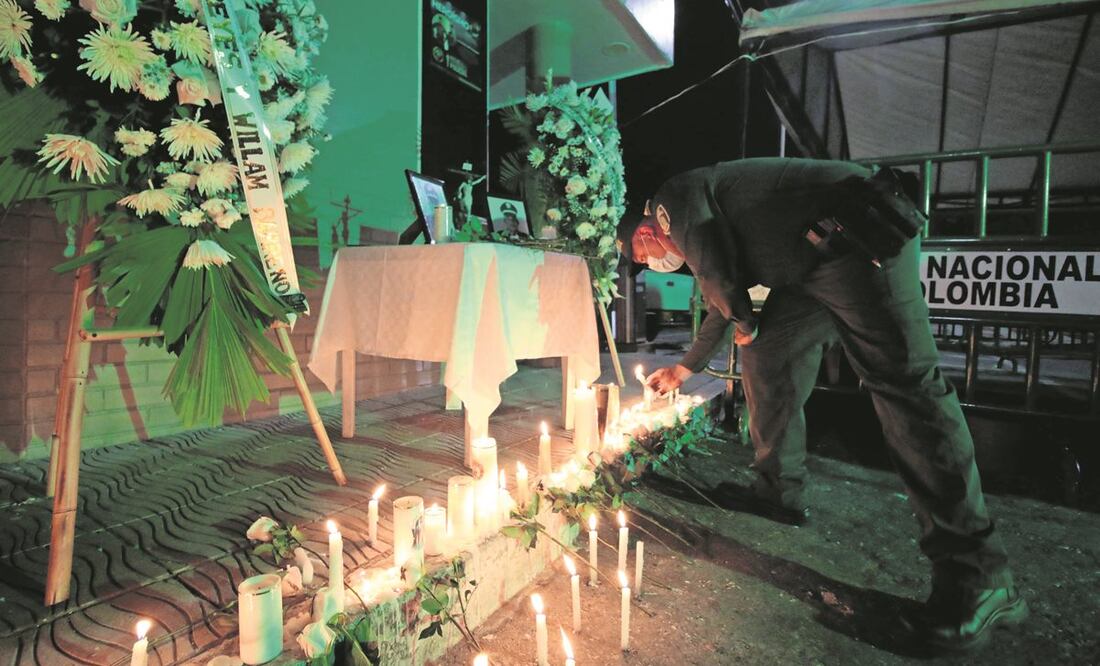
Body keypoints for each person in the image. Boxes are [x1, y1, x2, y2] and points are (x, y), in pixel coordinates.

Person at [617, 157, 1026, 652]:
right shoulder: (689, 208)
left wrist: (741, 321)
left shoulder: (671, 199)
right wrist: (689, 365)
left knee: (906, 388)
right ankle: (778, 491)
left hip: (856, 236)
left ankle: (979, 577)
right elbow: (719, 291)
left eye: (640, 257)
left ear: (644, 230)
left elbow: (719, 279)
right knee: (768, 354)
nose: (649, 265)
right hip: (811, 264)